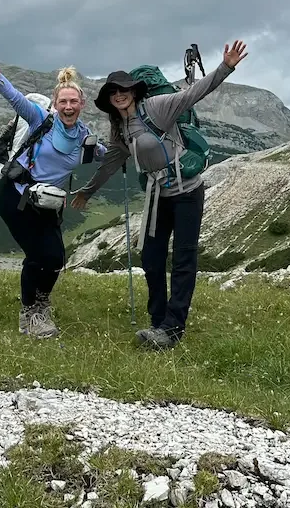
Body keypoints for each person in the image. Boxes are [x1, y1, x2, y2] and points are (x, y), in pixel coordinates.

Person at [72, 40, 248, 350]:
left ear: (134, 91)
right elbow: (110, 163)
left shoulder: (157, 107)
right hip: (157, 196)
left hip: (187, 192)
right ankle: (158, 321)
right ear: (109, 99)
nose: (118, 95)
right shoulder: (120, 128)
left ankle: (172, 328)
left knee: (183, 259)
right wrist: (87, 193)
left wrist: (225, 67)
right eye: (112, 92)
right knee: (151, 259)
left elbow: (193, 93)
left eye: (123, 90)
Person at [0, 36, 106, 339]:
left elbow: (104, 154)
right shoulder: (41, 119)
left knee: (56, 259)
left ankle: (40, 304)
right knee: (39, 256)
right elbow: (11, 94)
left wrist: (128, 150)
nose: (68, 107)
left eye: (73, 102)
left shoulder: (83, 135)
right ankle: (30, 314)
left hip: (48, 203)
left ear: (82, 104)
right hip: (16, 196)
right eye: (63, 102)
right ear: (55, 103)